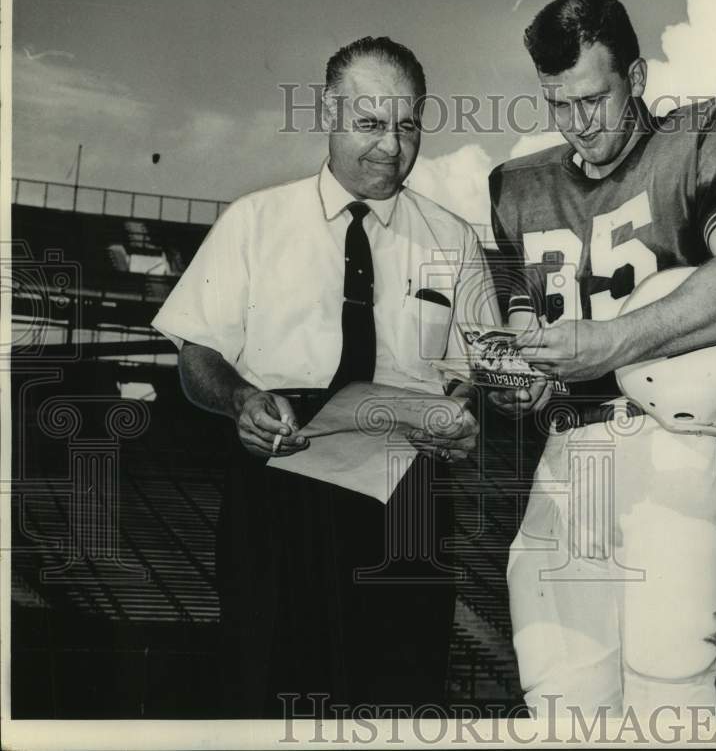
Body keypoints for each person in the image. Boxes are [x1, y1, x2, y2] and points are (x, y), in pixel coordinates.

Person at [152, 36, 497, 717]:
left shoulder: (454, 240)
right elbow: (197, 359)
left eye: (406, 126)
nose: (391, 148)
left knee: (397, 703)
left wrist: (463, 407)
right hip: (278, 478)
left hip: (404, 488)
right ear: (326, 113)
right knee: (270, 696)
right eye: (370, 124)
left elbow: (476, 373)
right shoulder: (255, 221)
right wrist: (243, 399)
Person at [488, 0, 716, 716]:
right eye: (559, 105)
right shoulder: (518, 189)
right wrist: (520, 377)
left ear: (638, 77)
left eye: (594, 99)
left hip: (672, 447)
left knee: (670, 697)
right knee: (559, 700)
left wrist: (609, 341)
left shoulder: (702, 139)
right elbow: (528, 321)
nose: (578, 124)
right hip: (565, 458)